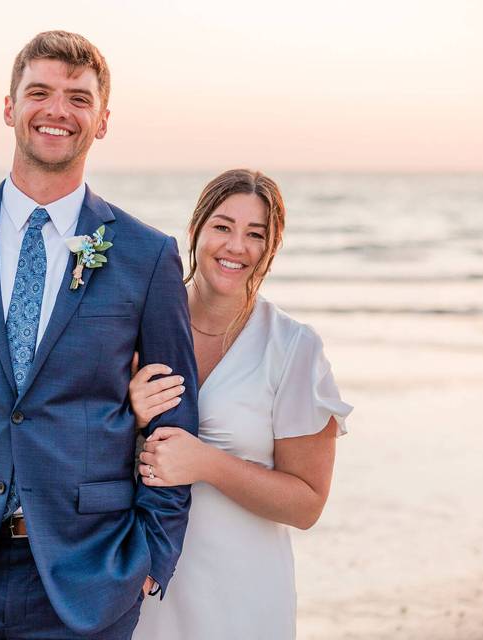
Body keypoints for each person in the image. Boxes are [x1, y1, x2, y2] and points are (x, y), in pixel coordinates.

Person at [0, 31, 199, 639]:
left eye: (79, 99)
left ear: (102, 121)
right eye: (40, 92)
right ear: (9, 108)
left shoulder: (146, 255)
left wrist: (154, 553)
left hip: (87, 573)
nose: (57, 111)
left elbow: (174, 417)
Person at [130, 169, 353, 639]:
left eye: (256, 234)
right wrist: (126, 414)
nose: (237, 246)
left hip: (243, 593)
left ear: (270, 249)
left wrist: (207, 463)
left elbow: (307, 504)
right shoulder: (136, 328)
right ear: (195, 230)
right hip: (139, 581)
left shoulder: (293, 348)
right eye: (223, 226)